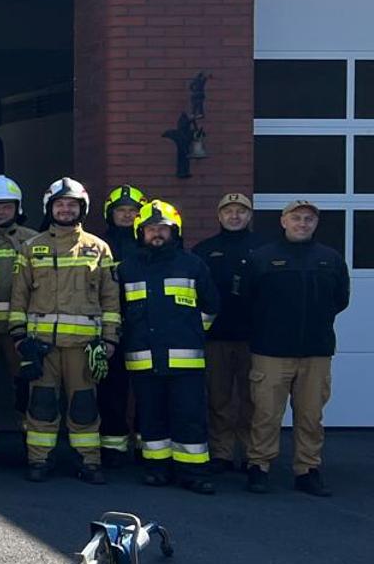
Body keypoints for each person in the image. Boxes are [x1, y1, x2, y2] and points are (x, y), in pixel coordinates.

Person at [10, 178, 120, 484]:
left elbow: (110, 298)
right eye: (60, 204)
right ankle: (39, 461)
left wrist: (109, 339)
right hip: (41, 345)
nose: (66, 209)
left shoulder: (98, 248)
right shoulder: (32, 248)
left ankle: (90, 462)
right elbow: (19, 296)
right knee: (41, 404)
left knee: (84, 406)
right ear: (50, 208)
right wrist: (19, 337)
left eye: (72, 204)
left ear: (82, 209)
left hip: (84, 346)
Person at [239, 200, 349, 496]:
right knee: (265, 414)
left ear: (315, 224)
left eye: (309, 219)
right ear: (283, 221)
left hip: (316, 351)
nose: (303, 223)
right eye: (296, 218)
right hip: (271, 352)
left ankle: (307, 470)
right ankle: (259, 467)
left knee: (311, 416)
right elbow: (247, 301)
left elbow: (341, 299)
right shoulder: (262, 258)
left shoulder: (330, 259)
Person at [115, 200, 218, 494]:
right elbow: (118, 311)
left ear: (175, 231)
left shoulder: (192, 264)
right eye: (150, 229)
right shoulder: (128, 269)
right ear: (140, 232)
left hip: (186, 362)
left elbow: (211, 306)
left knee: (190, 417)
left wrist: (193, 334)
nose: (157, 234)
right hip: (143, 359)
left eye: (163, 228)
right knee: (151, 416)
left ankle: (193, 472)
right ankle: (156, 469)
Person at [190, 192, 261, 472]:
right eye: (229, 211)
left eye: (240, 211)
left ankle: (249, 453)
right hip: (215, 337)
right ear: (219, 216)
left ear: (249, 215)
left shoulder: (264, 249)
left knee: (251, 399)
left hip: (254, 339)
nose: (235, 216)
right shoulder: (204, 251)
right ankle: (221, 452)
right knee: (218, 399)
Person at [0, 175, 38, 436]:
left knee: (25, 385)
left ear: (17, 208)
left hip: (20, 330)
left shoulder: (34, 241)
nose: (0, 212)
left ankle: (30, 444)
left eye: (6, 206)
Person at [97, 183, 146, 463]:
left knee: (145, 390)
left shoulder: (149, 244)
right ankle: (112, 448)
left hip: (143, 329)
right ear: (110, 214)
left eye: (133, 211)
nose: (128, 216)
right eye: (121, 211)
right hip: (110, 329)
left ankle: (145, 446)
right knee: (111, 389)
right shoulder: (101, 246)